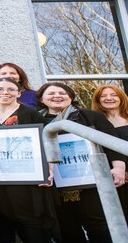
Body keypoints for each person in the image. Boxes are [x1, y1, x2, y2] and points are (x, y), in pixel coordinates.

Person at [38, 82, 126, 243]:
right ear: (42, 99)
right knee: (67, 230)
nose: (57, 96)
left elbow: (112, 143)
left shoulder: (91, 116)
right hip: (55, 186)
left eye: (62, 92)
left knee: (100, 227)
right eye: (51, 93)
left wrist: (119, 167)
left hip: (93, 183)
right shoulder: (36, 120)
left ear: (71, 97)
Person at [0, 78, 59, 243]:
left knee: (31, 222)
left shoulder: (29, 113)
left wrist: (49, 171)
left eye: (11, 89)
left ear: (19, 93)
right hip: (2, 178)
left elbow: (46, 141)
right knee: (8, 218)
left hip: (28, 177)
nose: (5, 93)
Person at [92, 84, 128, 225]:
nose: (109, 98)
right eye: (103, 96)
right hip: (116, 178)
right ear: (98, 100)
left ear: (121, 98)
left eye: (113, 95)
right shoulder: (94, 122)